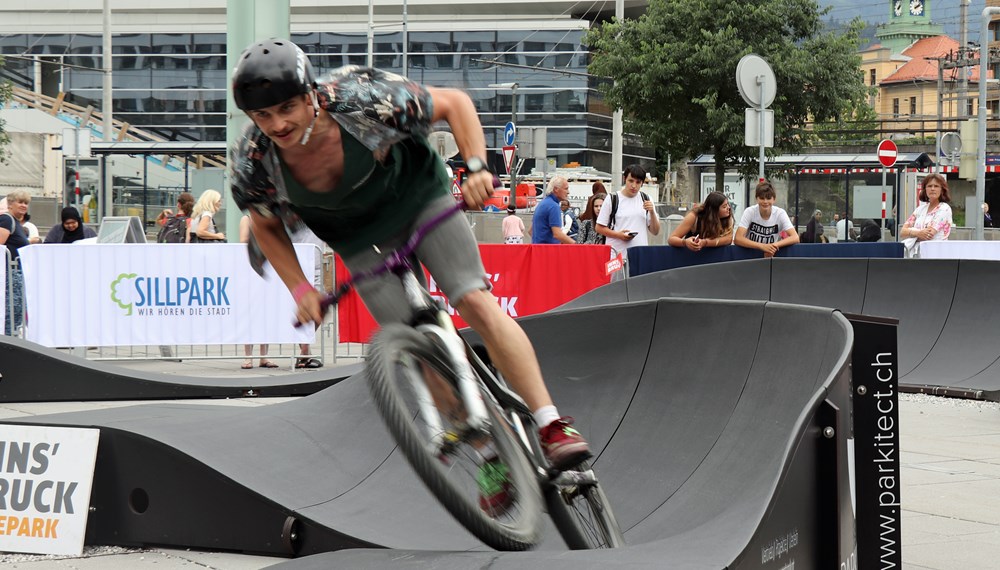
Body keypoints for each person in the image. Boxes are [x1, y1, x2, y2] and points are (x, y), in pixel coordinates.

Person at [228, 39, 590, 508]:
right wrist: (300, 288)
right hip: (358, 239)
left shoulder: (361, 97)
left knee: (473, 299)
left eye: (286, 108)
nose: (277, 124)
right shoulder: (254, 161)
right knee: (416, 347)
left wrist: (478, 167)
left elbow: (455, 104)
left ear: (312, 95)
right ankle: (487, 456)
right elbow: (265, 223)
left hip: (420, 199)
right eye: (263, 117)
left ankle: (550, 424)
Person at [238, 214, 280, 370]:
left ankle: (264, 356)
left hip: (267, 270)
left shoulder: (270, 218)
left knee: (266, 314)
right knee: (250, 314)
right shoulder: (246, 219)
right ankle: (248, 357)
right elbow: (243, 240)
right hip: (250, 269)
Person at [595, 163, 661, 254]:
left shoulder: (646, 199)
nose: (634, 185)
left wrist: (652, 212)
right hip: (617, 255)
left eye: (638, 182)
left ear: (642, 183)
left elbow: (655, 231)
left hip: (640, 255)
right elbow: (599, 227)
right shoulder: (612, 199)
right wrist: (618, 235)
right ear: (624, 179)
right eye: (631, 181)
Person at [734, 179, 799, 258]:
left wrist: (773, 246)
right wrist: (762, 246)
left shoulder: (780, 213)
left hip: (770, 256)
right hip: (750, 256)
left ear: (774, 199)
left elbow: (795, 237)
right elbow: (738, 238)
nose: (765, 202)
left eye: (768, 198)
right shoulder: (749, 212)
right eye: (762, 198)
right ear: (756, 199)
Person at [900, 173, 953, 258]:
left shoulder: (944, 209)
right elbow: (902, 232)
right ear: (925, 189)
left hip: (936, 255)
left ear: (942, 190)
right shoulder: (920, 209)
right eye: (929, 186)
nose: (932, 189)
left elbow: (928, 235)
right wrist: (919, 233)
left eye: (936, 186)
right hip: (916, 255)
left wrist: (911, 232)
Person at [0, 195, 29, 335]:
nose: (24, 205)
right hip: (9, 275)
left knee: (16, 312)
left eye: (26, 203)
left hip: (15, 273)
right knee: (11, 311)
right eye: (20, 202)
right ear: (10, 204)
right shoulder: (7, 220)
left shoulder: (16, 223)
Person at [667, 191, 733, 251]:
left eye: (727, 204)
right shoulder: (694, 216)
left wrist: (705, 242)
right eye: (724, 207)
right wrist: (685, 242)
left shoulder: (727, 218)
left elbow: (728, 239)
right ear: (714, 211)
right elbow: (672, 239)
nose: (728, 208)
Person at [531, 176, 575, 244]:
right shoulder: (553, 206)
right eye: (566, 189)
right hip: (548, 251)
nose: (568, 192)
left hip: (537, 249)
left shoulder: (542, 204)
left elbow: (531, 231)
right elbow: (557, 234)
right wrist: (577, 245)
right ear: (556, 189)